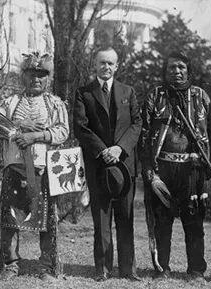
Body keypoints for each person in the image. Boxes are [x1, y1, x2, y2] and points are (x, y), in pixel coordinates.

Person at [139, 50, 211, 283]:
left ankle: (196, 271)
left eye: (181, 67)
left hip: (192, 169)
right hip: (162, 168)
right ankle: (162, 269)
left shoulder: (201, 96)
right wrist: (147, 165)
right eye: (171, 67)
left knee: (193, 221)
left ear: (188, 70)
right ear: (165, 72)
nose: (176, 71)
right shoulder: (155, 96)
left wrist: (208, 161)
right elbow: (144, 133)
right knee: (161, 222)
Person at [0, 52, 69, 281]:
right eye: (31, 75)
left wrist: (35, 136)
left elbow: (63, 132)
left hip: (43, 170)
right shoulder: (9, 102)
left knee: (46, 221)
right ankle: (10, 264)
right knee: (10, 219)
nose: (36, 79)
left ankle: (46, 266)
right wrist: (17, 126)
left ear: (48, 78)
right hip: (14, 168)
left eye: (41, 75)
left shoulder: (54, 103)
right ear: (23, 77)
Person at [73, 47, 142, 282]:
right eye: (102, 62)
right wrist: (104, 151)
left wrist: (119, 149)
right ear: (95, 64)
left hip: (124, 165)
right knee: (101, 218)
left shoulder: (128, 92)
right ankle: (102, 268)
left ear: (117, 66)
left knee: (125, 217)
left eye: (111, 63)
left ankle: (128, 269)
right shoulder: (84, 93)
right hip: (98, 165)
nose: (106, 67)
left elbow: (137, 124)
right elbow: (81, 127)